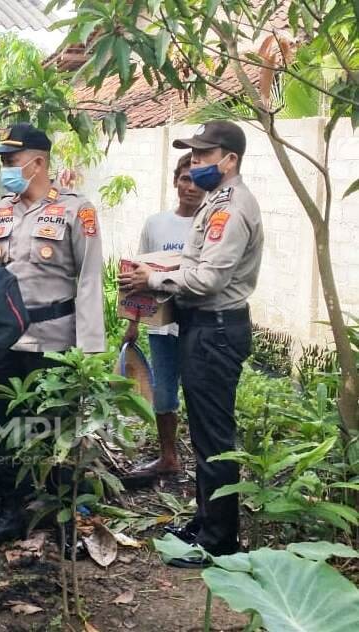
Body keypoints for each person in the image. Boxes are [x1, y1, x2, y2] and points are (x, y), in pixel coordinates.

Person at [119, 121, 263, 566]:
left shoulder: (230, 208)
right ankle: (205, 520)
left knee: (215, 437)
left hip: (216, 328)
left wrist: (154, 277)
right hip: (205, 327)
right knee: (203, 433)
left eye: (203, 155)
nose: (195, 162)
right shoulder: (216, 202)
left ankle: (219, 539)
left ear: (230, 159)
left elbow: (208, 278)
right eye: (193, 155)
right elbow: (197, 262)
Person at [0, 123, 105, 543]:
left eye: (11, 161)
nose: (6, 169)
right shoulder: (1, 210)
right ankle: (12, 509)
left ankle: (65, 515)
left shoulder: (76, 209)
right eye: (2, 162)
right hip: (6, 340)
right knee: (6, 426)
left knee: (58, 430)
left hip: (55, 341)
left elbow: (90, 279)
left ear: (38, 162)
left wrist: (88, 350)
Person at [122, 152, 205, 482]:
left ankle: (206, 464)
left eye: (198, 180)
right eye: (185, 178)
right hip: (161, 324)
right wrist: (132, 323)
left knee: (199, 393)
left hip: (199, 325)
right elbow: (137, 274)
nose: (191, 187)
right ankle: (168, 457)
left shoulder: (210, 226)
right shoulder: (156, 224)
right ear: (175, 181)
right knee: (165, 392)